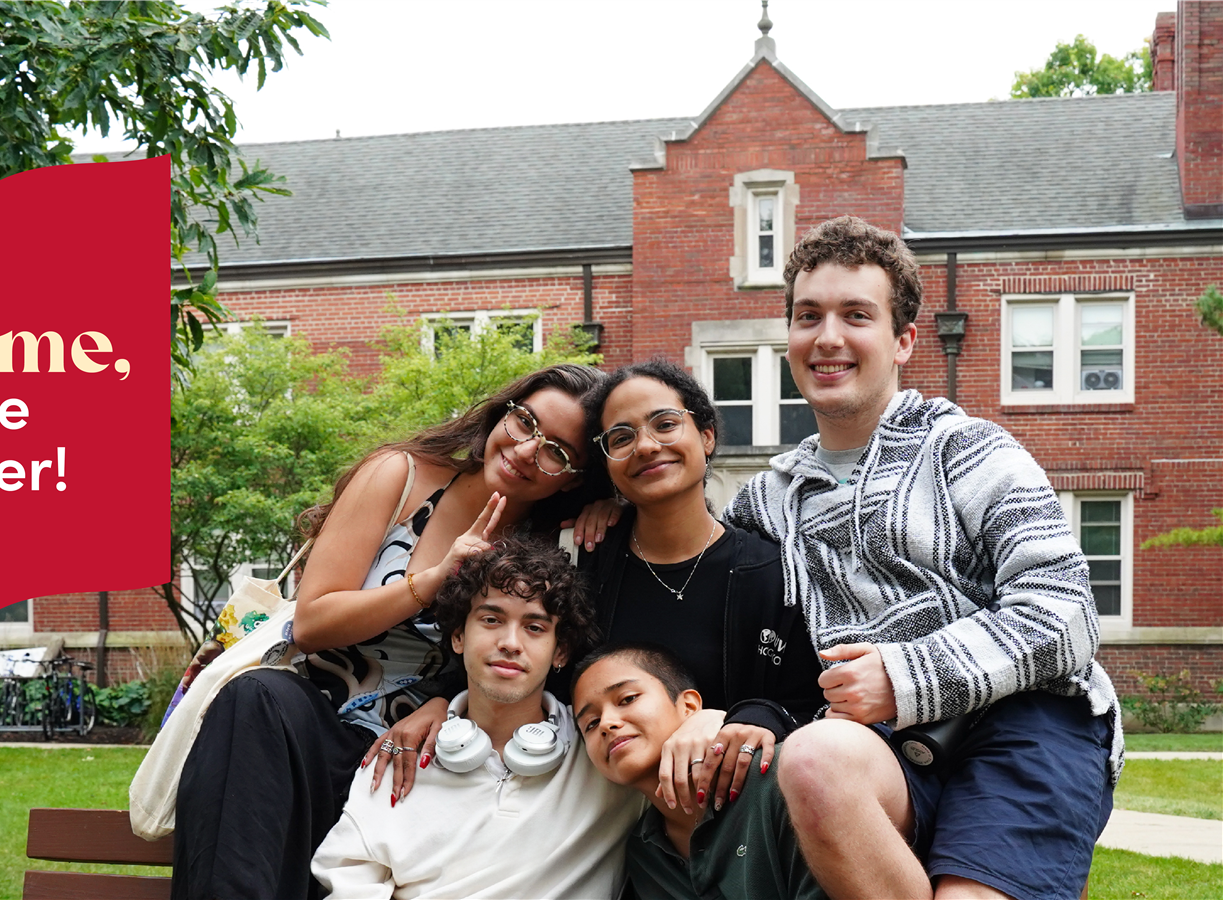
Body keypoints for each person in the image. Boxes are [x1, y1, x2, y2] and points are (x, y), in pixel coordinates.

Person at [725, 215, 1121, 900]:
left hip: (1025, 723)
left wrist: (906, 675)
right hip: (886, 750)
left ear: (904, 339)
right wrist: (602, 505)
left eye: (856, 315)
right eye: (808, 315)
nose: (828, 338)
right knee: (813, 759)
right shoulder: (767, 499)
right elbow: (686, 561)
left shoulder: (969, 450)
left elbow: (1067, 613)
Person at [169, 363, 605, 900]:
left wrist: (444, 701)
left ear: (576, 477)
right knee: (256, 697)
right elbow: (312, 623)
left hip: (426, 751)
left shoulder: (550, 541)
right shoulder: (399, 476)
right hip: (312, 721)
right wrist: (434, 578)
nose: (524, 450)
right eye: (523, 422)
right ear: (502, 413)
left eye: (556, 451)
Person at [368, 360, 824, 821]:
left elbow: (808, 703)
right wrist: (444, 698)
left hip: (732, 822)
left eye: (665, 424)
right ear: (607, 465)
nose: (645, 446)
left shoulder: (772, 571)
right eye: (621, 438)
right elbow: (514, 638)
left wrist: (746, 716)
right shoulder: (579, 556)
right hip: (584, 814)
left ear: (705, 435)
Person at [313, 537, 643, 899]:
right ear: (458, 636)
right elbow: (348, 884)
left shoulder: (607, 750)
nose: (510, 643)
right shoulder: (398, 755)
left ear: (560, 650)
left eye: (534, 627)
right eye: (491, 619)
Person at [572, 642, 824, 900]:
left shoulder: (775, 779)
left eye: (627, 699)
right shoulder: (644, 853)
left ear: (689, 707)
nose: (607, 723)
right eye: (590, 724)